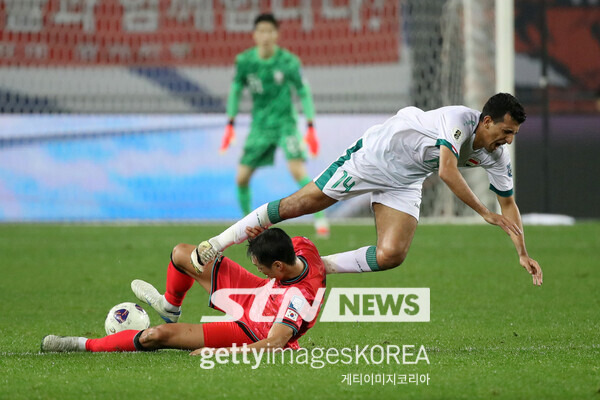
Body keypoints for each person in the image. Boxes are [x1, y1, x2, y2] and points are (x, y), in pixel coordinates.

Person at [193, 93, 543, 286]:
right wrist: (484, 213)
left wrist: (522, 251)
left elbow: (508, 203)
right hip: (375, 156)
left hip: (406, 179)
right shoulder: (456, 121)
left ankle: (312, 268)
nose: (508, 140)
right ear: (486, 121)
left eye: (512, 134)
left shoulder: (499, 155)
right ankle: (215, 244)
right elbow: (448, 170)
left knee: (392, 255)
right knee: (300, 204)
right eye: (506, 131)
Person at [41, 228, 326, 353]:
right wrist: (257, 235)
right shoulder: (301, 248)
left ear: (277, 266)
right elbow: (277, 247)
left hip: (255, 330)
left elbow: (275, 343)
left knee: (156, 336)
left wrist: (221, 354)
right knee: (182, 254)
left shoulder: (298, 299)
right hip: (257, 293)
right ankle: (170, 307)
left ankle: (80, 343)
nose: (256, 266)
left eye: (260, 264)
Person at [221, 13, 330, 238]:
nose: (265, 36)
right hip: (260, 126)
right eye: (261, 31)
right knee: (241, 177)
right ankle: (246, 226)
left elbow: (303, 91)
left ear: (277, 35)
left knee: (297, 170)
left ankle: (320, 219)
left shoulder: (289, 62)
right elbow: (235, 90)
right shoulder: (245, 61)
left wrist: (310, 124)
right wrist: (230, 122)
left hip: (285, 123)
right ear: (254, 35)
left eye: (270, 31)